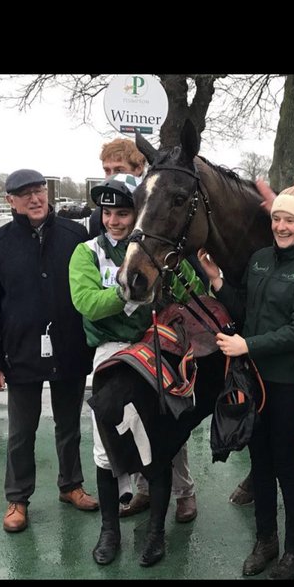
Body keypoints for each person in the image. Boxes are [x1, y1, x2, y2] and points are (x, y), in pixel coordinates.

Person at [199, 173, 294, 579]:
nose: (281, 226)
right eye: (276, 219)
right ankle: (265, 540)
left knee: (287, 466)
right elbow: (244, 309)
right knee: (259, 462)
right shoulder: (259, 259)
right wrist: (217, 280)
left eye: (290, 220)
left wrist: (248, 345)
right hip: (253, 381)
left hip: (289, 384)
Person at [62, 135, 201, 525]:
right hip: (113, 350)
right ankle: (139, 489)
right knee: (121, 424)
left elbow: (191, 289)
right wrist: (128, 290)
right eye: (107, 213)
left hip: (154, 345)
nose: (112, 220)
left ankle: (184, 492)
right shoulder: (90, 249)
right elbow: (87, 303)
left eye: (121, 213)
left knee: (168, 423)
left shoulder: (154, 237)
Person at [0, 168, 98, 533]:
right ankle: (17, 498)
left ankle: (71, 485)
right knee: (21, 432)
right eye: (25, 193)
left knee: (69, 425)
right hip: (21, 352)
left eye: (40, 190)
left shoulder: (76, 236)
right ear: (10, 200)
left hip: (69, 348)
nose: (35, 198)